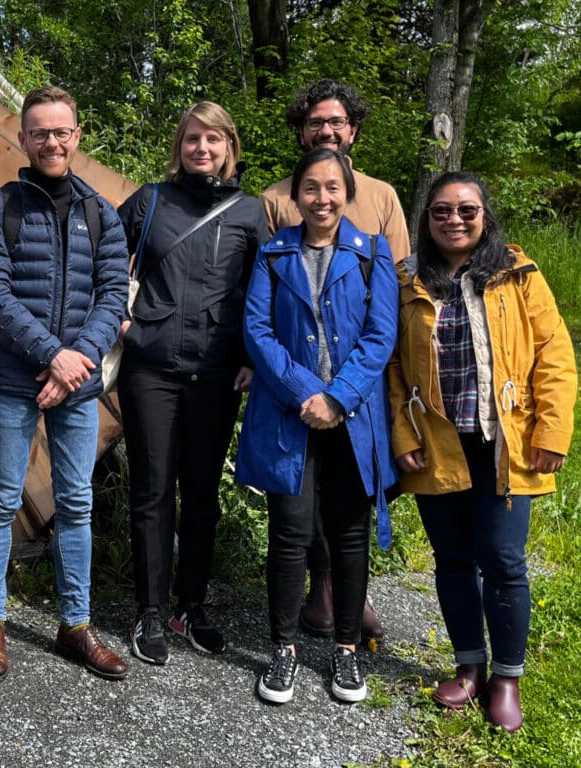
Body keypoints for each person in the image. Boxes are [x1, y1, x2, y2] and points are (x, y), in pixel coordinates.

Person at [387, 171, 576, 732]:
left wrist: (551, 432)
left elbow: (555, 354)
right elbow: (394, 368)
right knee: (453, 558)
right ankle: (470, 665)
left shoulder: (517, 274)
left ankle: (508, 678)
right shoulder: (407, 280)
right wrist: (403, 435)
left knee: (503, 559)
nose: (454, 220)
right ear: (428, 219)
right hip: (436, 443)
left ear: (485, 216)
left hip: (504, 443)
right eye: (441, 210)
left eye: (466, 210)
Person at [0, 86, 130, 682]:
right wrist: (51, 355)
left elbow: (114, 295)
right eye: (40, 132)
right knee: (2, 499)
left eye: (62, 131)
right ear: (24, 138)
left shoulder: (100, 212)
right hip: (14, 380)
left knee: (77, 503)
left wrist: (77, 360)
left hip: (78, 386)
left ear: (77, 135)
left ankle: (77, 625)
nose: (52, 141)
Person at [236, 149, 397, 706]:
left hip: (354, 420)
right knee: (290, 533)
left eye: (332, 188)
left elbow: (381, 339)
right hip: (291, 417)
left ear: (347, 193)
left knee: (349, 537)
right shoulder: (273, 256)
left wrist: (338, 397)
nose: (322, 199)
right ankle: (284, 648)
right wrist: (309, 393)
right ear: (295, 195)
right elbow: (256, 330)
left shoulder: (373, 254)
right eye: (310, 188)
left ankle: (346, 650)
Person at [115, 102, 270, 665]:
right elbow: (103, 263)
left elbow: (265, 293)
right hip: (150, 368)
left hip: (217, 372)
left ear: (230, 146)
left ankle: (191, 607)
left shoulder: (251, 213)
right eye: (191, 140)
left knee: (202, 494)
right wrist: (122, 322)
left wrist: (253, 357)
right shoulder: (150, 201)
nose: (201, 149)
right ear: (179, 147)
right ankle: (150, 611)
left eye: (212, 140)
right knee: (152, 491)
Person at [260, 80, 410, 641]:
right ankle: (321, 589)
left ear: (353, 131)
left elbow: (398, 282)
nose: (327, 130)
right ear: (302, 132)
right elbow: (265, 293)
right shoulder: (276, 199)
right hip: (296, 378)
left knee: (360, 484)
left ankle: (338, 590)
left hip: (365, 373)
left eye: (337, 122)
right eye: (316, 122)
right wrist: (295, 384)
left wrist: (357, 384)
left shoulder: (383, 197)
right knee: (301, 486)